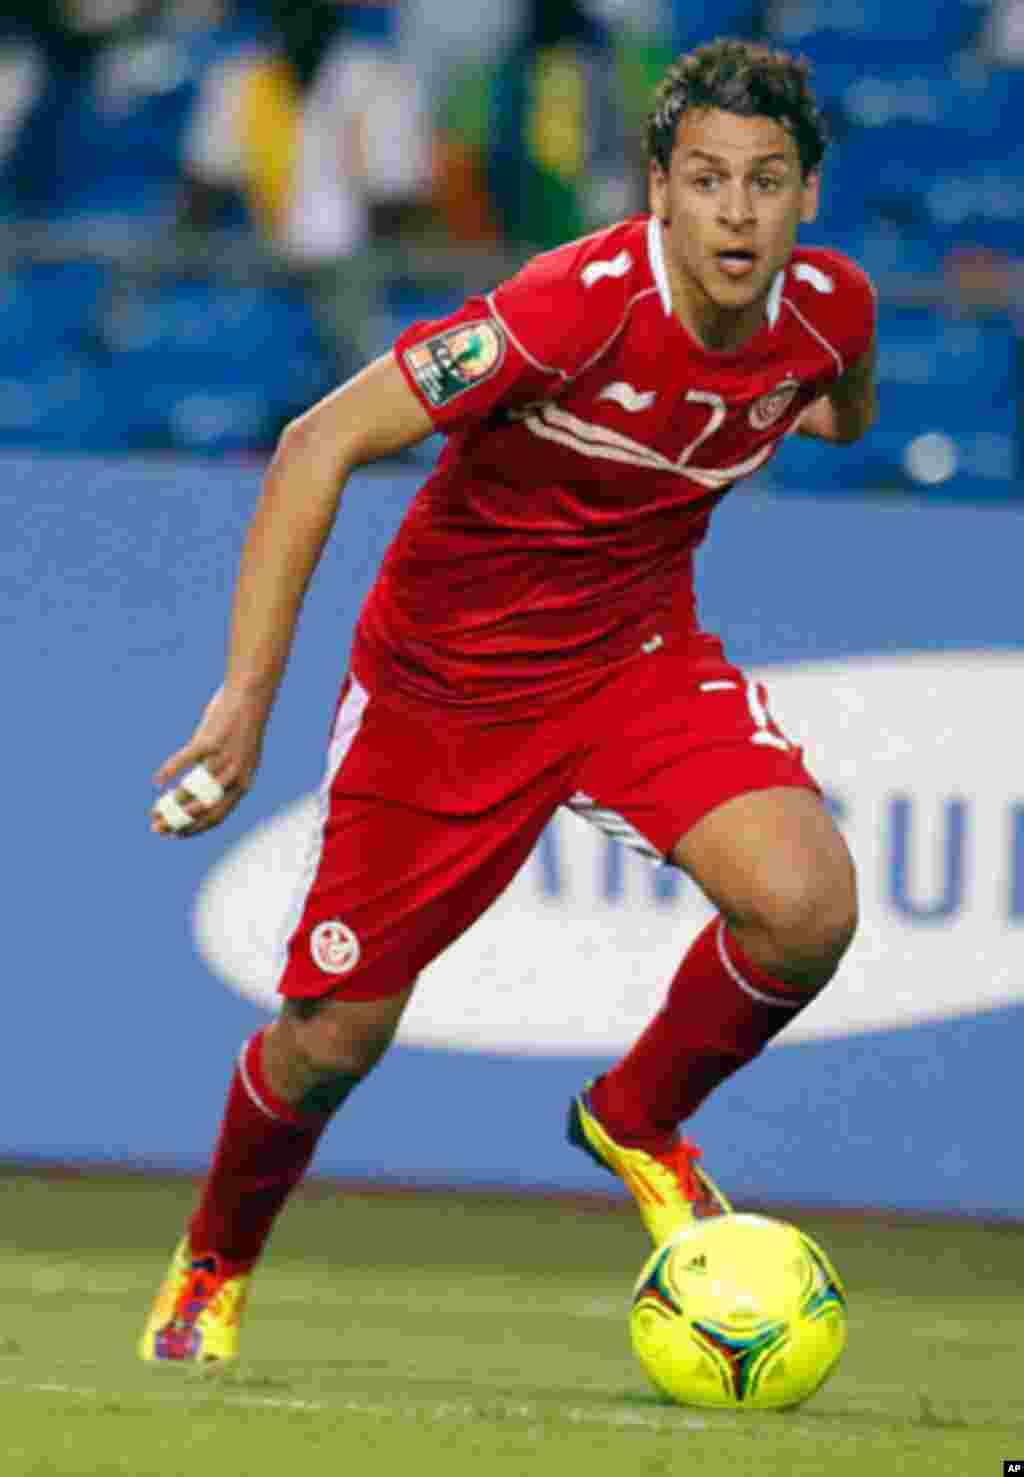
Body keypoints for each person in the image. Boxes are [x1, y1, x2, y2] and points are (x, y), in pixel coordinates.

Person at [139, 36, 877, 1363]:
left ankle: (637, 1117)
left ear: (807, 196)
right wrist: (245, 699)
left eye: (768, 181)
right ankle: (211, 1260)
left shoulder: (832, 309)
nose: (737, 211)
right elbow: (320, 442)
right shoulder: (566, 307)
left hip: (634, 660)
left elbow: (835, 404)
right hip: (446, 691)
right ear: (658, 187)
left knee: (808, 905)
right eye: (705, 179)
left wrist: (778, 408)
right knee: (331, 1039)